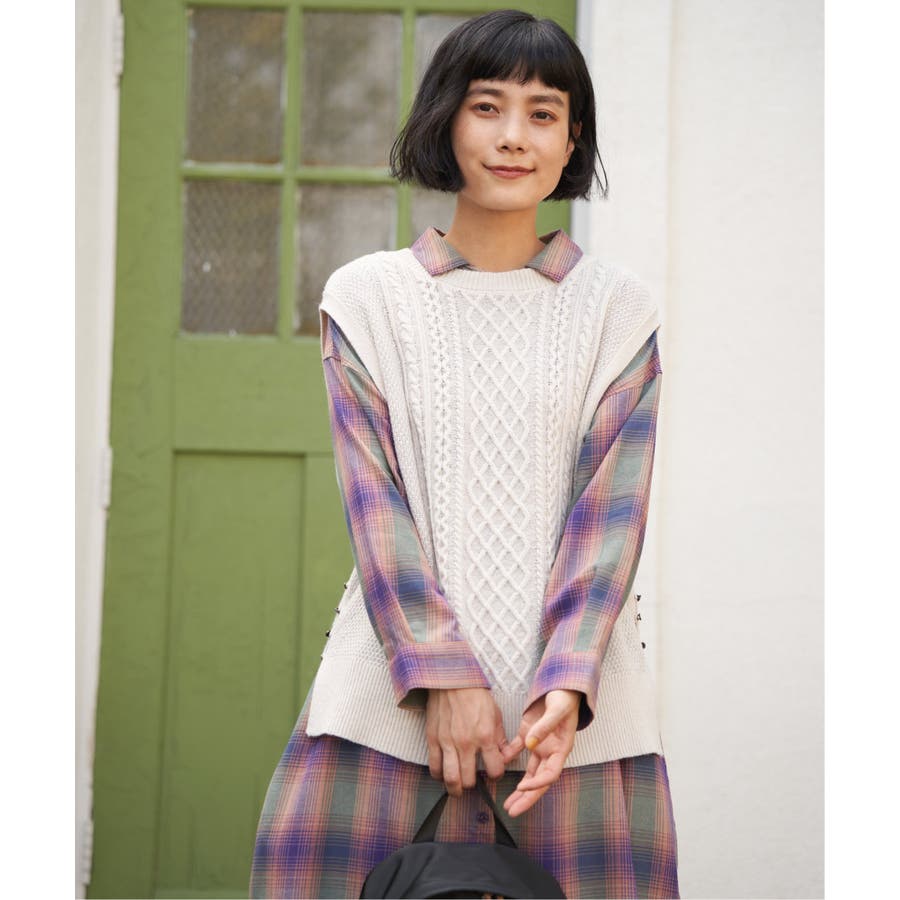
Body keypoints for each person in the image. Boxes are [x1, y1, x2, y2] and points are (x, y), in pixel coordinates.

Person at [250, 9, 679, 899]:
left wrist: (565, 686)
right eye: (488, 106)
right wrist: (443, 677)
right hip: (386, 706)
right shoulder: (369, 297)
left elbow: (610, 523)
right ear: (447, 119)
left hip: (572, 723)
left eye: (543, 113)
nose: (514, 135)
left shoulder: (617, 308)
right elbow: (377, 510)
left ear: (572, 139)